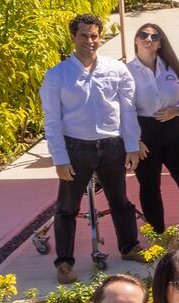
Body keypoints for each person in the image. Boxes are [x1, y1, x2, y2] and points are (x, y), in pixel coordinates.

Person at [42, 14, 145, 282]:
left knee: (120, 200)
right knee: (67, 207)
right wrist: (59, 158)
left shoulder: (117, 69)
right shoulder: (57, 76)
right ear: (73, 37)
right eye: (84, 35)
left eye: (94, 35)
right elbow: (52, 121)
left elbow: (128, 110)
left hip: (112, 147)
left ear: (101, 38)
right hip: (76, 150)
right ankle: (64, 262)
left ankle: (129, 247)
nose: (89, 41)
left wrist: (132, 145)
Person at [123, 22, 179, 244]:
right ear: (135, 40)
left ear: (161, 43)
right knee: (149, 185)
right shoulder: (126, 71)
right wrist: (135, 141)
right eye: (143, 34)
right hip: (145, 132)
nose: (148, 39)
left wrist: (178, 109)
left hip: (176, 129)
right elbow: (124, 109)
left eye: (154, 36)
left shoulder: (171, 67)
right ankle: (158, 234)